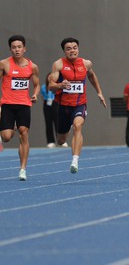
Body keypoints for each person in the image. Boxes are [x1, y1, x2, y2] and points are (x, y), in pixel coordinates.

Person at [48, 37, 107, 173]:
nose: (72, 51)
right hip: (63, 106)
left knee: (78, 126)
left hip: (80, 104)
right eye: (68, 49)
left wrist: (99, 92)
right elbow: (51, 86)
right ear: (64, 51)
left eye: (75, 48)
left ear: (78, 49)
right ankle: (65, 135)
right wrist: (59, 85)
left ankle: (75, 160)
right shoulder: (58, 65)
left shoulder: (86, 64)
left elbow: (92, 76)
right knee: (61, 140)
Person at [0, 35, 40, 181]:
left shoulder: (32, 66)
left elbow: (36, 85)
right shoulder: (4, 64)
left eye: (19, 47)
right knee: (6, 137)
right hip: (7, 105)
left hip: (24, 105)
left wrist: (35, 95)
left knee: (24, 133)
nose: (17, 50)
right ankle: (13, 126)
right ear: (10, 49)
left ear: (24, 48)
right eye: (14, 47)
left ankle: (22, 169)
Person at [41, 72, 59, 148]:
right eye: (49, 77)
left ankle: (60, 140)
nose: (50, 79)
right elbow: (42, 96)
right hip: (47, 104)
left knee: (57, 122)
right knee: (48, 123)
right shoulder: (43, 87)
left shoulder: (56, 86)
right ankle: (50, 141)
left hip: (55, 103)